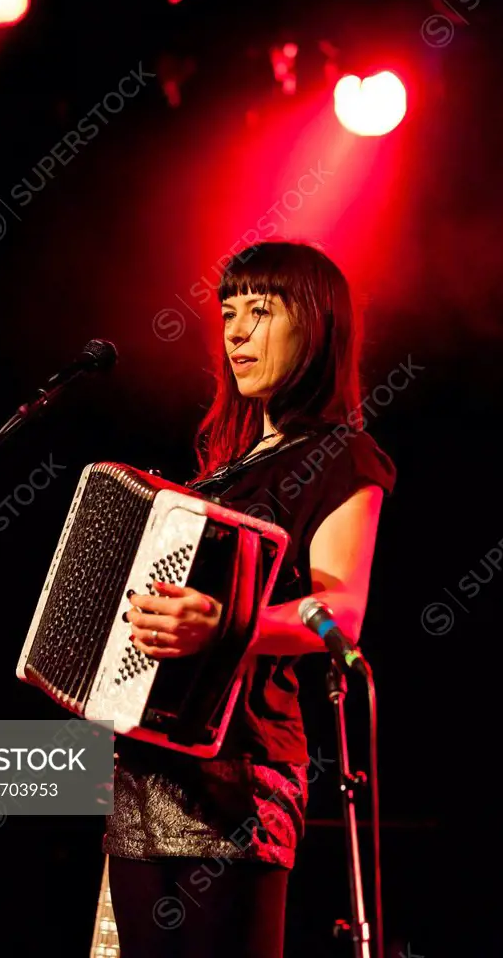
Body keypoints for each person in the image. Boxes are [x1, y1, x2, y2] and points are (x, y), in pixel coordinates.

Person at [102, 240, 396, 958]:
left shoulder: (342, 456)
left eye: (260, 311)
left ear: (317, 325)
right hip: (144, 766)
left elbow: (340, 613)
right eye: (228, 311)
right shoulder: (221, 472)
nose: (235, 332)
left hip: (240, 773)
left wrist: (223, 626)